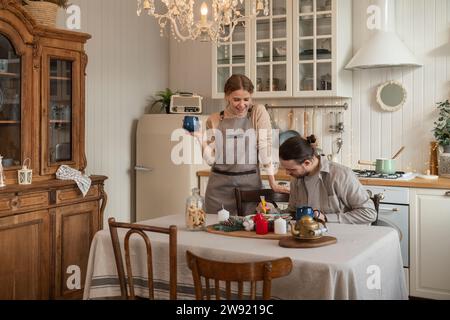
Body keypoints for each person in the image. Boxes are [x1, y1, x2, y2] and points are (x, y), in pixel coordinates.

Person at [196, 74, 288, 216]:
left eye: (246, 99)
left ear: (251, 96)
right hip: (218, 190)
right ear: (227, 96)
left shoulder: (257, 112)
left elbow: (264, 147)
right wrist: (199, 138)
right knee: (216, 233)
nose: (242, 105)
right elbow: (211, 160)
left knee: (250, 230)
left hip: (250, 188)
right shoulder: (214, 119)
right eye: (236, 99)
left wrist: (272, 182)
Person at [279, 135, 376, 225]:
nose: (287, 173)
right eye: (285, 169)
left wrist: (326, 218)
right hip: (309, 236)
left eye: (291, 169)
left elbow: (369, 213)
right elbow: (292, 211)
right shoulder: (297, 178)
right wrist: (272, 212)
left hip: (342, 238)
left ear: (307, 162)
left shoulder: (340, 174)